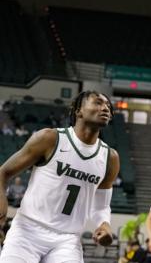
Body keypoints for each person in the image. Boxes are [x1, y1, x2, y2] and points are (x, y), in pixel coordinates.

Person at [0, 90, 118, 261]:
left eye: (108, 106)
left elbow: (101, 207)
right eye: (98, 103)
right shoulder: (50, 138)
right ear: (79, 110)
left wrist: (104, 224)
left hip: (67, 239)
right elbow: (3, 173)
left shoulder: (110, 158)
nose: (106, 108)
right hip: (27, 231)